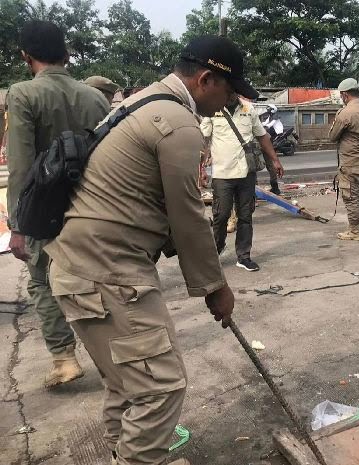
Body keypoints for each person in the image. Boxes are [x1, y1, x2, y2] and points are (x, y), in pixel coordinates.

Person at [44, 35, 247, 465]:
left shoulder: (141, 102)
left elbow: (159, 207)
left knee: (127, 384)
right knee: (161, 387)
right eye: (229, 92)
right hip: (107, 271)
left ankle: (129, 455)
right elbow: (189, 216)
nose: (228, 103)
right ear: (206, 78)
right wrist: (215, 287)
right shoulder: (177, 121)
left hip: (77, 266)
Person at [6, 20, 110, 388]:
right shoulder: (95, 97)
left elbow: (19, 164)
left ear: (25, 56)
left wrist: (17, 225)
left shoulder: (22, 94)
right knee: (95, 283)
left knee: (42, 283)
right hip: (91, 210)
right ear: (67, 54)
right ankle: (109, 355)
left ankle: (64, 358)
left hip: (43, 213)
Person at [201, 96, 284, 271]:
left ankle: (244, 256)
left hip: (247, 173)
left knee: (245, 216)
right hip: (222, 174)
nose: (230, 93)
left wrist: (275, 160)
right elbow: (204, 140)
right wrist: (200, 168)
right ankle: (217, 248)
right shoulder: (212, 107)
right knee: (221, 215)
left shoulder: (248, 108)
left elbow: (262, 136)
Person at [329, 78, 359, 241]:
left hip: (350, 162)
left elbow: (332, 136)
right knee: (355, 193)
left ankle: (355, 231)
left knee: (350, 197)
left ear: (344, 95)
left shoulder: (345, 113)